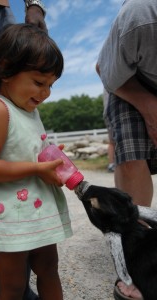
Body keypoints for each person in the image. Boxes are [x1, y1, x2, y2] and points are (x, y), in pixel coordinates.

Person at [0, 23, 73, 300]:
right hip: (6, 216)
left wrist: (49, 160)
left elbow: (26, 150)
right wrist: (36, 168)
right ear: (6, 68)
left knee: (49, 270)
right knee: (13, 285)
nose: (46, 93)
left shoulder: (29, 110)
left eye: (51, 85)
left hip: (36, 211)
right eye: (38, 82)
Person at [96, 0, 157, 299]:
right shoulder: (140, 17)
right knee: (132, 159)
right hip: (125, 82)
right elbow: (103, 70)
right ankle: (134, 253)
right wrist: (149, 106)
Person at [103, 89, 115, 173]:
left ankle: (112, 164)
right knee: (112, 142)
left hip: (109, 112)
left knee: (112, 142)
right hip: (112, 112)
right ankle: (112, 164)